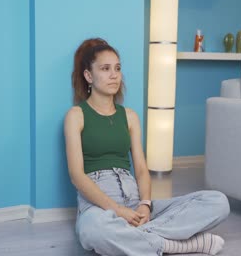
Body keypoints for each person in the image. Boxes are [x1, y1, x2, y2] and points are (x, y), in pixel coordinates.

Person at [64, 38, 230, 256]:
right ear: (88, 76)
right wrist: (118, 211)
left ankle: (135, 237)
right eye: (105, 69)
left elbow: (141, 169)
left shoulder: (130, 117)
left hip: (134, 201)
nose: (114, 75)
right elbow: (77, 176)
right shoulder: (76, 115)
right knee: (93, 231)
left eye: (117, 68)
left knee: (218, 202)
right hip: (98, 207)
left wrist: (145, 204)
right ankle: (181, 245)